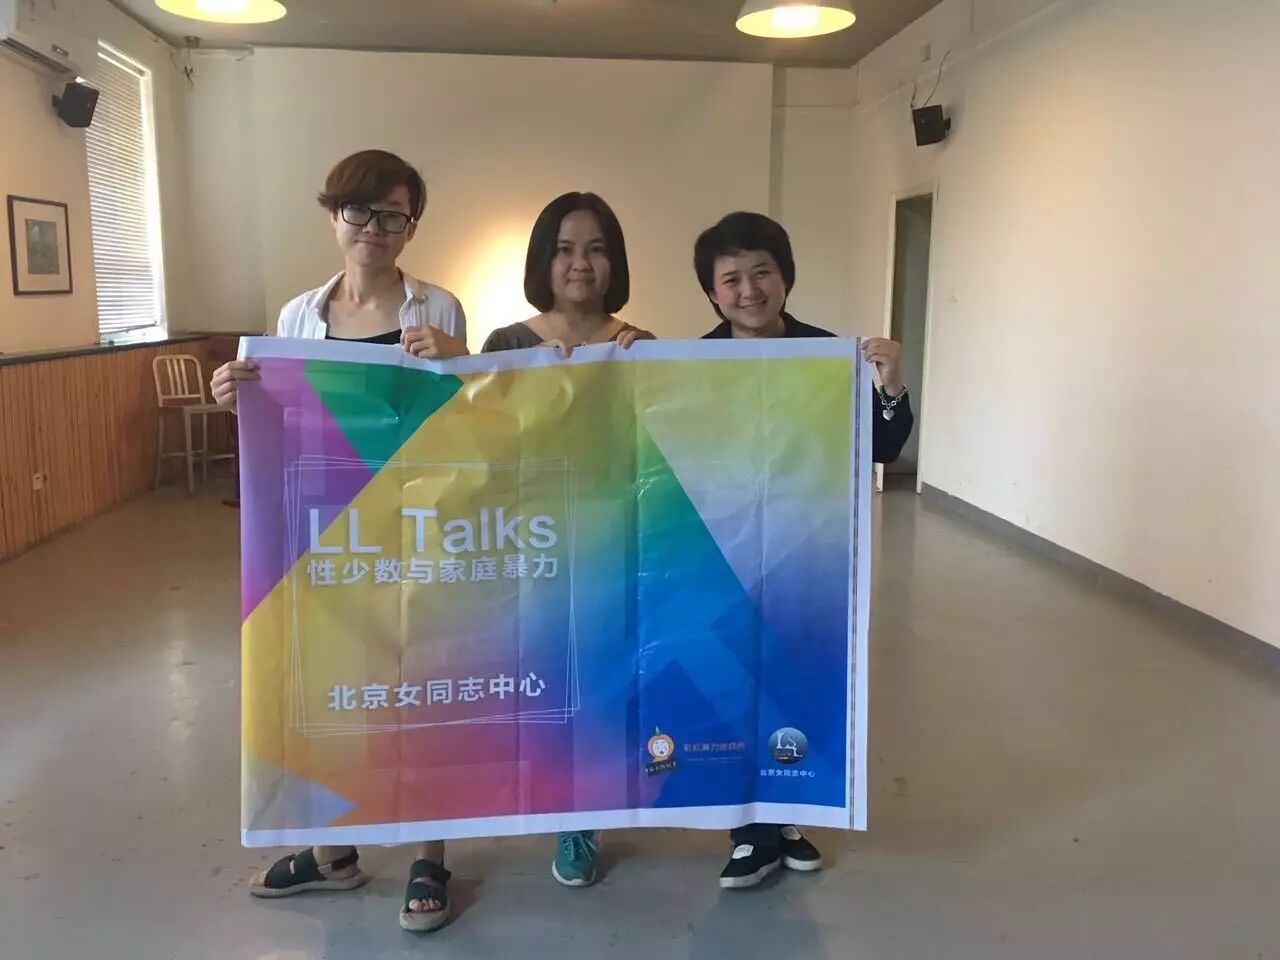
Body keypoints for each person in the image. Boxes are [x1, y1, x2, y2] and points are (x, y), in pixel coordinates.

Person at [210, 149, 466, 932]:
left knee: (418, 686)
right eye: (359, 211)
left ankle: (429, 857)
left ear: (411, 226)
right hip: (324, 532)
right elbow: (287, 420)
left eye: (393, 215)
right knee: (330, 688)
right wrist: (237, 398)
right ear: (333, 216)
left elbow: (466, 421)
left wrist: (466, 363)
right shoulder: (298, 316)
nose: (374, 228)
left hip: (414, 526)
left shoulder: (439, 307)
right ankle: (332, 854)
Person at [692, 211, 913, 890]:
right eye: (731, 278)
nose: (749, 290)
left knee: (795, 679)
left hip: (807, 554)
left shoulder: (826, 354)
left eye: (762, 272)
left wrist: (890, 386)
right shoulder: (692, 363)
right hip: (726, 552)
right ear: (712, 292)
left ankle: (788, 815)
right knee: (736, 682)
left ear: (785, 276)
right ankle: (748, 833)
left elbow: (881, 447)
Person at [483, 191, 654, 886]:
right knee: (538, 678)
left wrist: (632, 379)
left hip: (611, 539)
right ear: (542, 261)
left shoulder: (640, 346)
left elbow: (658, 449)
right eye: (564, 249)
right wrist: (536, 386)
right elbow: (480, 449)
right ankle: (529, 790)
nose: (581, 264)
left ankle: (579, 817)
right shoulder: (507, 344)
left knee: (601, 681)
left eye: (596, 249)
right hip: (529, 540)